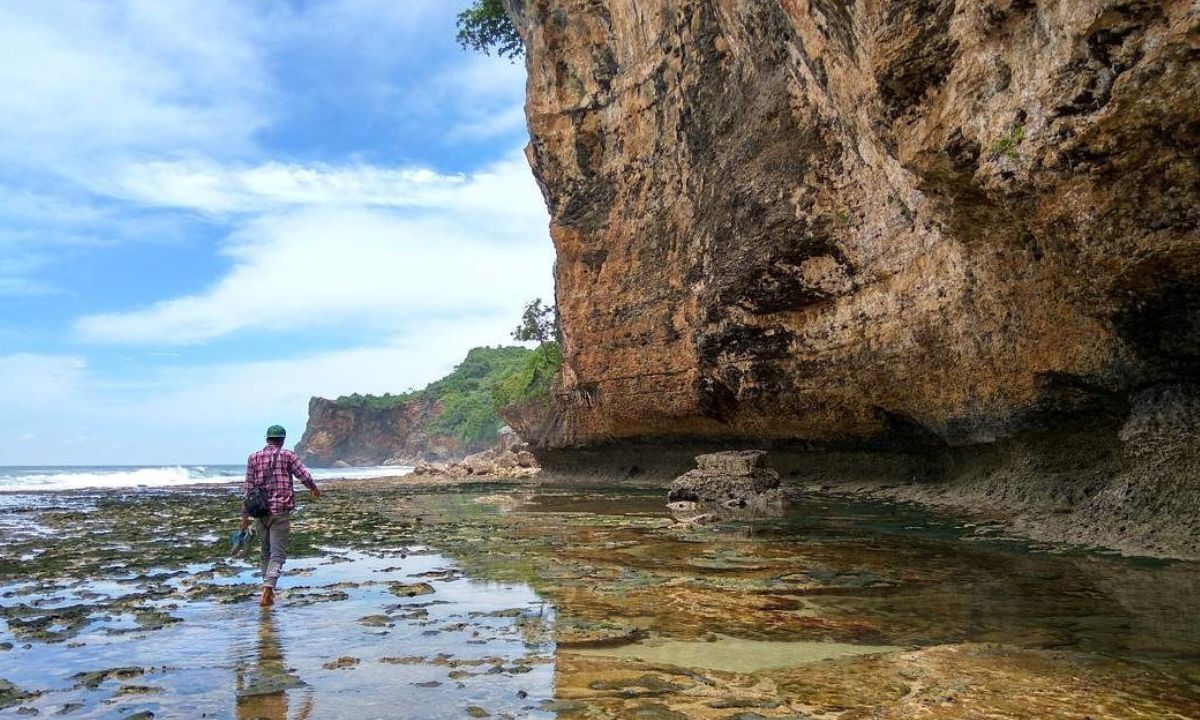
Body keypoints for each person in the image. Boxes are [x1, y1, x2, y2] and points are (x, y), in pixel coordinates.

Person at [242, 424, 322, 607]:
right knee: (277, 554)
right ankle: (268, 590)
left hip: (260, 512)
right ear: (282, 440)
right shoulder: (288, 455)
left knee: (265, 553)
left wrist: (244, 518)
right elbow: (304, 476)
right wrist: (314, 489)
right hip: (281, 511)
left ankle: (267, 591)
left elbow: (247, 489)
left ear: (267, 439)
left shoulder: (253, 458)